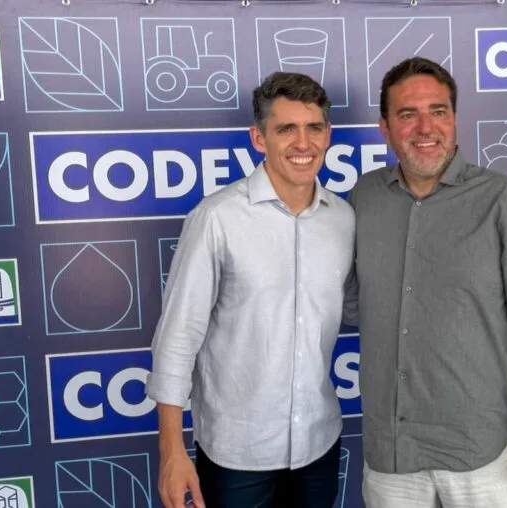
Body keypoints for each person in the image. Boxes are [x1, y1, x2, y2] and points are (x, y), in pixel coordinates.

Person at [344, 56, 507, 507]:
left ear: (454, 119)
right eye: (407, 114)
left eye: (439, 111)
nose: (425, 127)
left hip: (478, 454)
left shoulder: (500, 199)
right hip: (392, 454)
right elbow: (351, 300)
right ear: (385, 128)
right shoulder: (364, 198)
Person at [146, 71, 354, 508]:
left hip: (318, 441)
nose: (303, 143)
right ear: (259, 138)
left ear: (328, 134)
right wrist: (171, 451)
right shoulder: (217, 218)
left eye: (314, 128)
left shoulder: (343, 219)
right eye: (286, 129)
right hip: (237, 454)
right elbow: (178, 337)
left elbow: (359, 306)